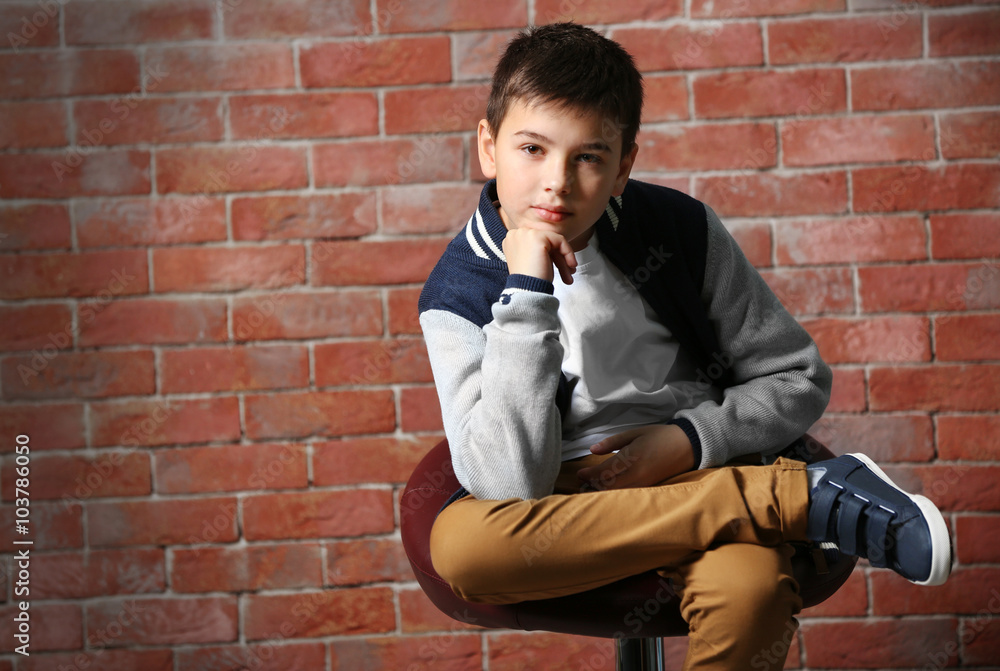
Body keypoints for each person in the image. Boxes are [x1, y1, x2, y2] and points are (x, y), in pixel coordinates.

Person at [417, 22, 951, 670]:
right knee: (464, 550)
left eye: (588, 156)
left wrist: (688, 440)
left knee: (752, 591)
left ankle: (765, 497)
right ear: (488, 147)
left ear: (623, 166)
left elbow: (797, 377)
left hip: (696, 465)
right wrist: (525, 288)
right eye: (532, 148)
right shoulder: (456, 293)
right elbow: (507, 482)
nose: (556, 182)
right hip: (559, 504)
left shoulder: (678, 230)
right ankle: (796, 499)